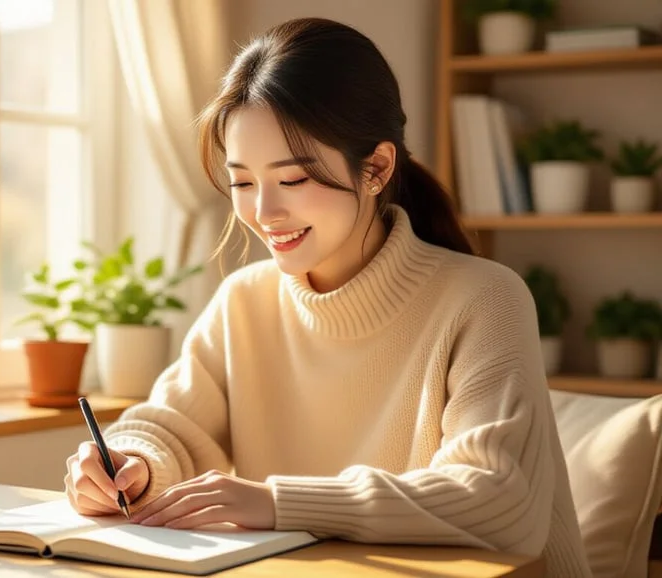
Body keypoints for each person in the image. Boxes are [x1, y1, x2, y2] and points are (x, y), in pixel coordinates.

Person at [63, 17, 591, 578]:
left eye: (292, 180)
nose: (264, 214)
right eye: (243, 182)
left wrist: (275, 503)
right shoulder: (244, 301)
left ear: (376, 168)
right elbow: (172, 429)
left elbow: (497, 500)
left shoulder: (485, 299)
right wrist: (129, 462)